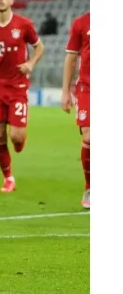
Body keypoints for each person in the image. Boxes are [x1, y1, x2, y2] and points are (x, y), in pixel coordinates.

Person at [0, 0, 45, 192]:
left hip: (18, 86)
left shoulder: (23, 24)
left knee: (16, 137)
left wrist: (31, 63)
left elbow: (39, 46)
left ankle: (18, 140)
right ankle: (8, 178)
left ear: (11, 0)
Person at [61, 12, 90, 209]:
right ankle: (90, 187)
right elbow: (71, 57)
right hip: (88, 88)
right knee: (89, 137)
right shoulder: (81, 22)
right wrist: (65, 91)